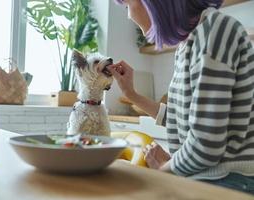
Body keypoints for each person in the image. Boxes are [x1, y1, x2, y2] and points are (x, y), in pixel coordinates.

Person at [108, 0, 254, 195]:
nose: (129, 15)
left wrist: (164, 170)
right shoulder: (190, 42)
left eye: (127, 5)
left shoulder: (215, 32)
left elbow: (206, 144)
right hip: (208, 177)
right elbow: (181, 118)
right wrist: (131, 94)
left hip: (229, 181)